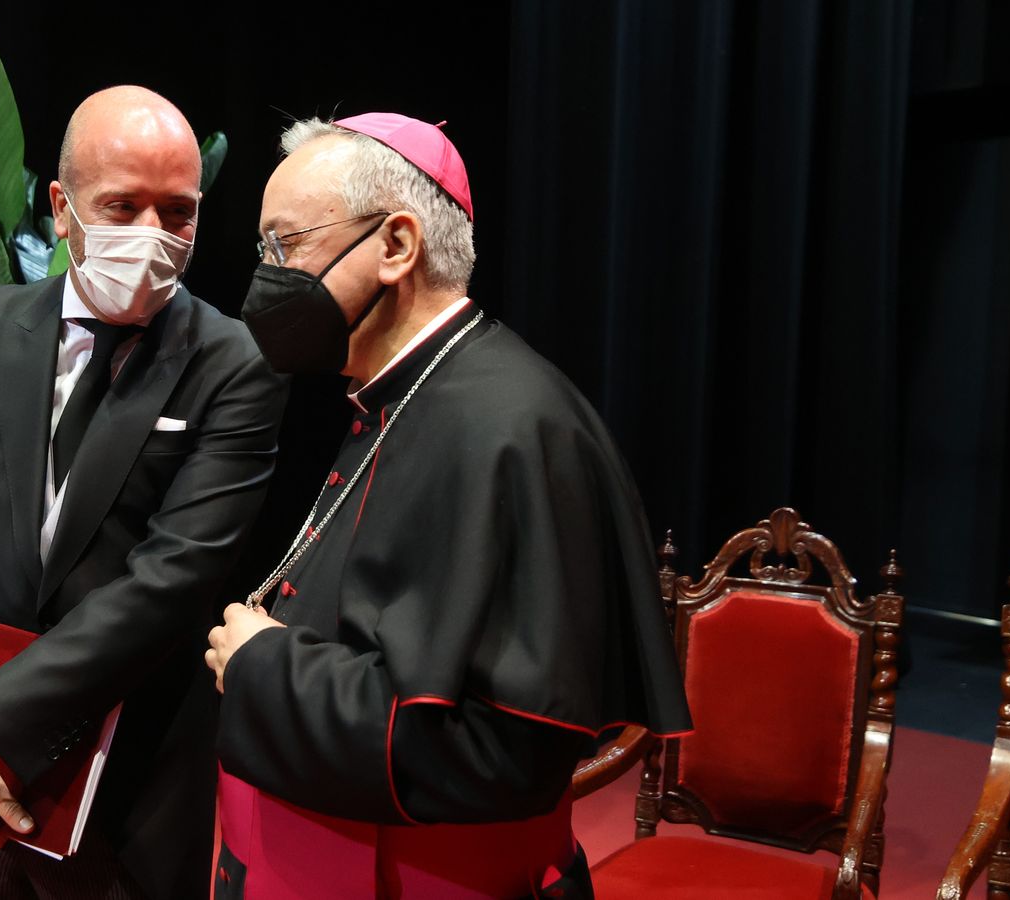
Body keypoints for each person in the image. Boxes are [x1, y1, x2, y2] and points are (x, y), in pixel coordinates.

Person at [205, 112, 692, 899]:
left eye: (285, 246)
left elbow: (501, 753)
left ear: (396, 245)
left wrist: (264, 666)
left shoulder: (515, 429)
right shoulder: (398, 396)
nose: (268, 275)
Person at [0, 85, 286, 899]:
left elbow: (169, 584)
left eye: (178, 212)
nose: (152, 234)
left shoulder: (235, 363)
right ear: (62, 209)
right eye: (122, 207)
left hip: (123, 787)